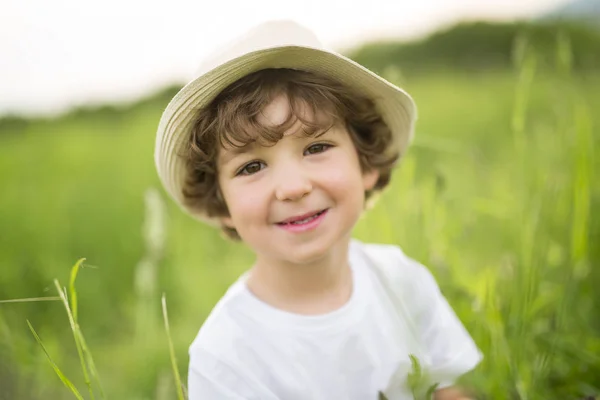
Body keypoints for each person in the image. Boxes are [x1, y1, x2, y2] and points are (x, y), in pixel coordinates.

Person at [154, 20, 482, 400]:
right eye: (251, 167)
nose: (293, 188)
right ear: (221, 202)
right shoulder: (226, 355)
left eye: (316, 148)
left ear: (366, 164)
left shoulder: (401, 281)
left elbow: (448, 391)